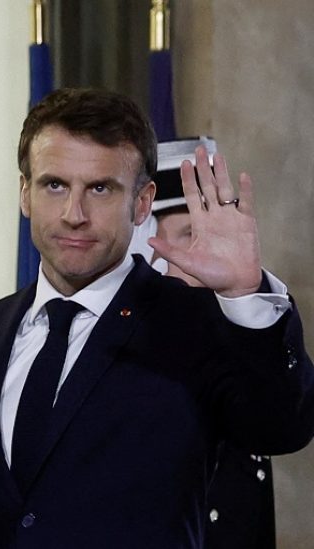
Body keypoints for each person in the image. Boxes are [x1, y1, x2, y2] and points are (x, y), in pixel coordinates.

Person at [0, 88, 314, 548]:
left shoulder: (193, 322)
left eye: (100, 189)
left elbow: (279, 427)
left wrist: (245, 295)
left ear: (143, 202)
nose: (74, 215)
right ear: (25, 193)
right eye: (55, 185)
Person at [150, 137, 277, 549]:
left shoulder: (248, 333)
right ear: (148, 248)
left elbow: (288, 420)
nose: (209, 253)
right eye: (191, 233)